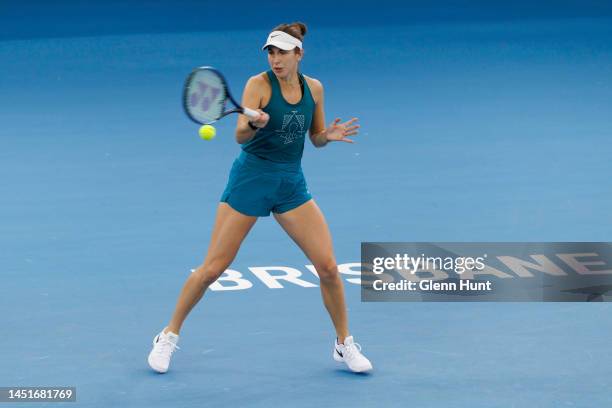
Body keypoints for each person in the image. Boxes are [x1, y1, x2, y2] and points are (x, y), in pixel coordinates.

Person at [148, 22, 372, 374]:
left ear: (299, 53)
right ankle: (167, 335)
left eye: (282, 52)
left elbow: (313, 138)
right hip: (251, 179)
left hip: (290, 183)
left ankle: (344, 344)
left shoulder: (315, 89)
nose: (275, 59)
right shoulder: (257, 85)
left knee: (328, 267)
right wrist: (254, 123)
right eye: (270, 52)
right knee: (212, 269)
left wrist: (327, 135)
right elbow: (239, 135)